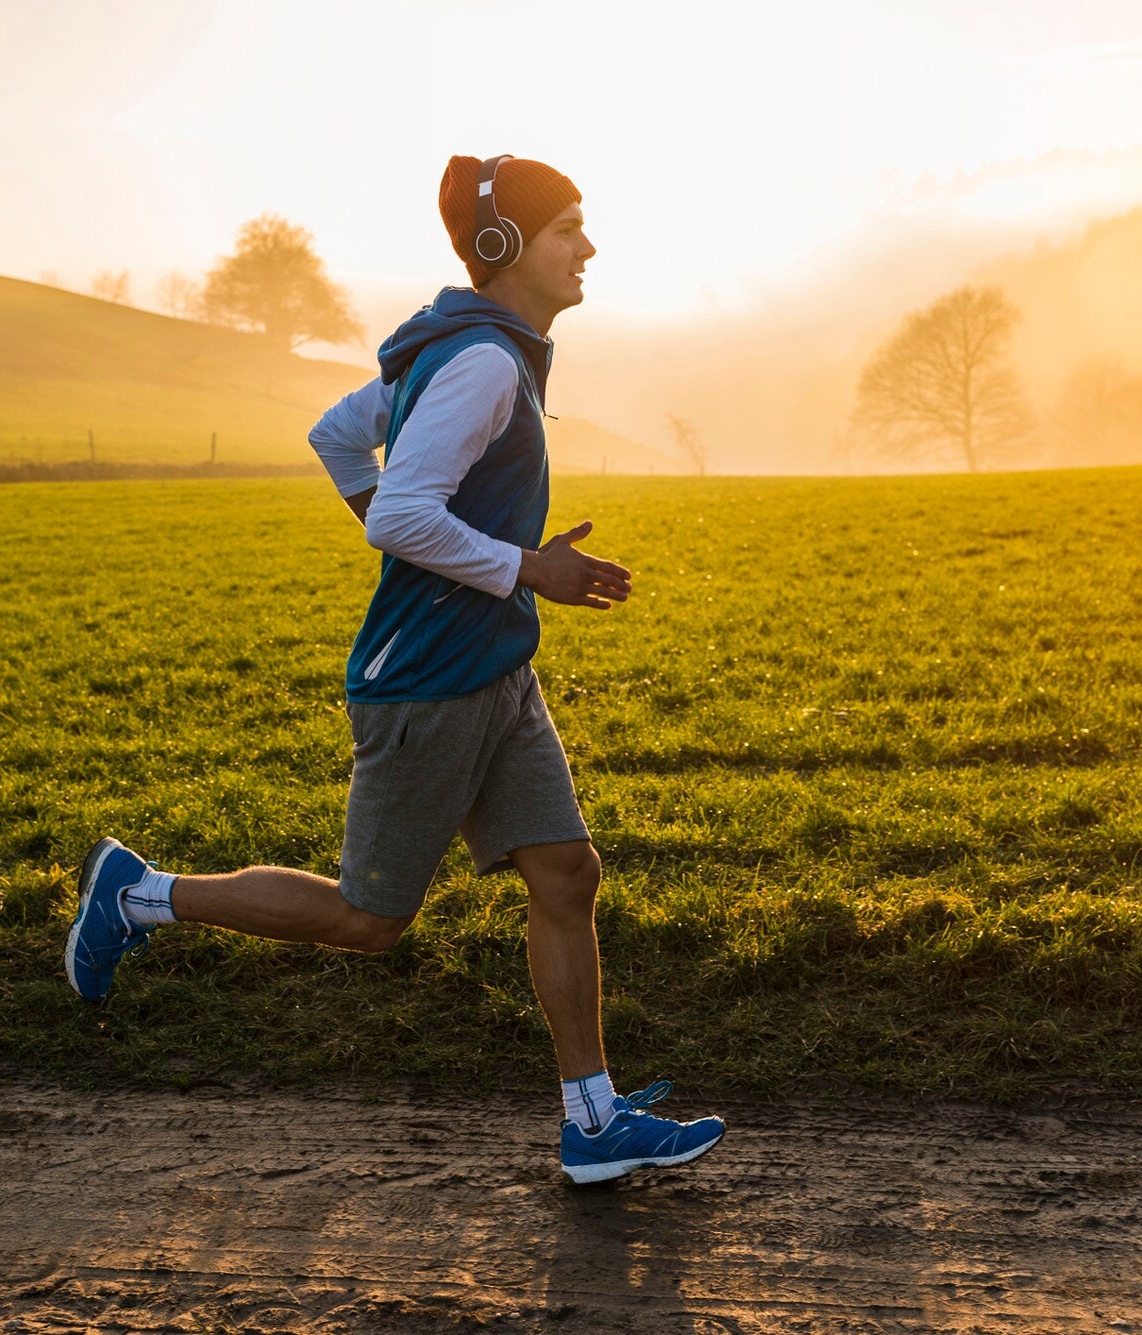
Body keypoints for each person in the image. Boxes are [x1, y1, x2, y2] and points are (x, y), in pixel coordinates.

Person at [64, 154, 725, 1184]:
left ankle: (593, 1124)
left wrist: (466, 565)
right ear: (504, 247)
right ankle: (141, 897)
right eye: (568, 230)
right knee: (368, 919)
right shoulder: (478, 365)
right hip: (429, 683)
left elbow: (337, 439)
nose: (587, 248)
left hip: (493, 668)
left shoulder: (463, 348)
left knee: (565, 874)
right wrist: (523, 568)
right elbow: (407, 515)